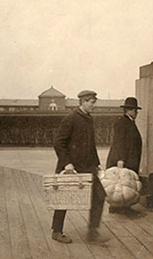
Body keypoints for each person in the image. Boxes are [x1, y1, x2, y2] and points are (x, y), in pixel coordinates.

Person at [51, 90, 107, 244]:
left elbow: (91, 145)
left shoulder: (88, 119)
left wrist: (96, 165)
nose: (94, 105)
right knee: (63, 198)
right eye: (92, 102)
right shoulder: (71, 119)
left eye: (94, 102)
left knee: (99, 196)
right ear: (83, 101)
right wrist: (67, 163)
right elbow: (58, 142)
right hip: (71, 167)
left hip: (88, 167)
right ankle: (56, 231)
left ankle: (92, 231)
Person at [106, 97, 143, 214]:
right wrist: (120, 159)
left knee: (125, 184)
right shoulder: (122, 122)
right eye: (135, 110)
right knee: (122, 184)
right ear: (128, 110)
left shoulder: (129, 121)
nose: (136, 112)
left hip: (129, 158)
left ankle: (119, 206)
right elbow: (119, 141)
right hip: (123, 159)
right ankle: (120, 207)